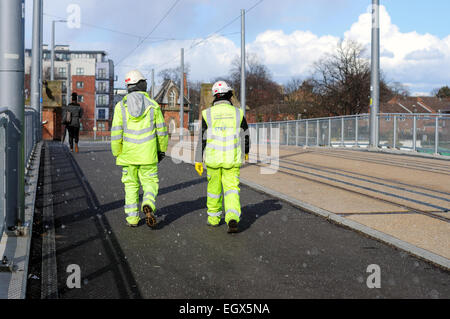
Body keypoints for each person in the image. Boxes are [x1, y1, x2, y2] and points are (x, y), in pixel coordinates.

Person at [111, 70, 168, 228]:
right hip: (148, 155)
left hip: (128, 156)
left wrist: (117, 151)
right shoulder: (153, 106)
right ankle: (148, 202)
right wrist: (161, 150)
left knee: (130, 185)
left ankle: (132, 218)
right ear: (141, 84)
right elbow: (162, 132)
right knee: (150, 182)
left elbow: (116, 133)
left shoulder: (120, 107)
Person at [194, 80, 250, 233]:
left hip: (213, 160)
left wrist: (198, 159)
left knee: (213, 190)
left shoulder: (208, 113)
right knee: (231, 189)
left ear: (214, 96)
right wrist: (246, 151)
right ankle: (232, 216)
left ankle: (213, 219)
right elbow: (245, 135)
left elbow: (202, 138)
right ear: (229, 95)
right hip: (231, 160)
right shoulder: (238, 113)